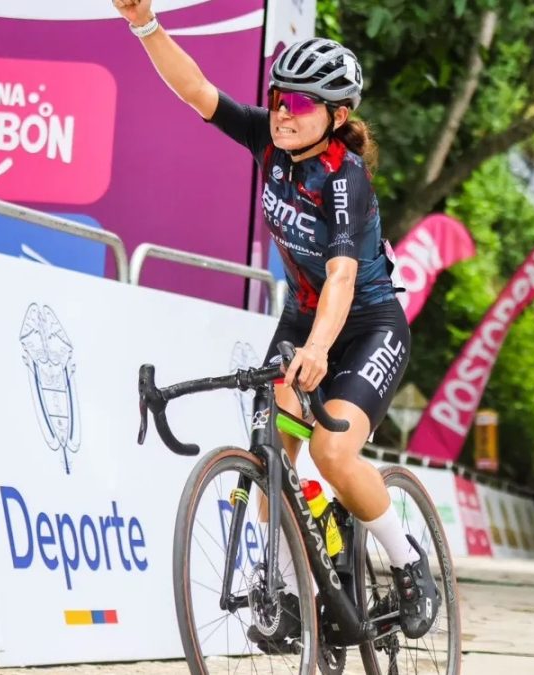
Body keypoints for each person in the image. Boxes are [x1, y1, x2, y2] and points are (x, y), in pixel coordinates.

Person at [112, 0, 438, 644]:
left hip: (368, 322)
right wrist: (144, 22)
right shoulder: (271, 136)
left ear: (336, 116)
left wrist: (318, 350)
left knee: (332, 449)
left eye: (302, 103)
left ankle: (409, 565)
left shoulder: (345, 179)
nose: (285, 110)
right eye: (280, 97)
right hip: (303, 314)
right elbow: (198, 91)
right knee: (273, 448)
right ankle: (287, 592)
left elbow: (343, 275)